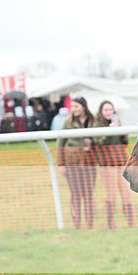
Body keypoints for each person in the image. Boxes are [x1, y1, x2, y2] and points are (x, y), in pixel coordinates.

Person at [56, 97, 96, 229]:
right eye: (72, 107)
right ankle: (77, 225)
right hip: (72, 164)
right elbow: (60, 143)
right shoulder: (68, 121)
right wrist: (61, 164)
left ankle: (90, 225)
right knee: (76, 194)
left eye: (76, 106)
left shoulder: (93, 120)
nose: (73, 109)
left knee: (89, 194)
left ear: (83, 107)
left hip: (89, 163)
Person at [93, 100, 134, 229]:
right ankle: (111, 225)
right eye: (106, 110)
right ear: (101, 112)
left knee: (126, 193)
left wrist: (123, 132)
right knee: (110, 194)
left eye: (110, 110)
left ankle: (131, 224)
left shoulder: (118, 123)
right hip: (107, 164)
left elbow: (124, 143)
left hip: (121, 162)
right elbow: (98, 142)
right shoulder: (97, 125)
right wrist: (109, 131)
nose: (108, 112)